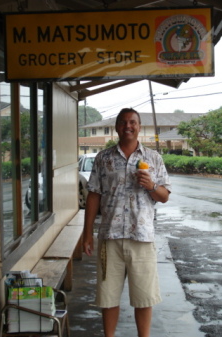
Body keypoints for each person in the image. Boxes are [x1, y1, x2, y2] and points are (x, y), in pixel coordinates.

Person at [83, 108, 171, 337]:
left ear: (139, 126)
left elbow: (164, 196)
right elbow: (94, 194)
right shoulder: (104, 158)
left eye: (132, 122)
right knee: (108, 295)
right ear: (117, 127)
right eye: (123, 123)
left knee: (144, 296)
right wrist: (87, 233)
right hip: (109, 237)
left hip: (141, 237)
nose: (128, 126)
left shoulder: (153, 158)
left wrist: (151, 185)